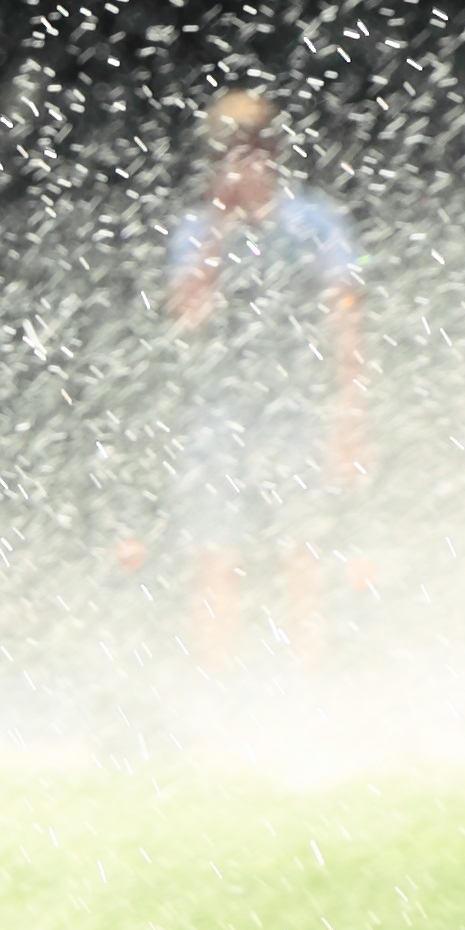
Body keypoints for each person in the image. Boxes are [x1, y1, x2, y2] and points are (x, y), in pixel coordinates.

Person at [162, 90, 369, 668]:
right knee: (215, 551)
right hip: (219, 411)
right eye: (227, 150)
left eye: (252, 147)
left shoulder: (314, 221)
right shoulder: (194, 231)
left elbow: (346, 318)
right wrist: (218, 228)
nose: (241, 161)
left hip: (297, 406)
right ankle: (216, 678)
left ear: (274, 150)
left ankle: (308, 674)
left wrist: (350, 417)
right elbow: (188, 316)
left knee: (302, 548)